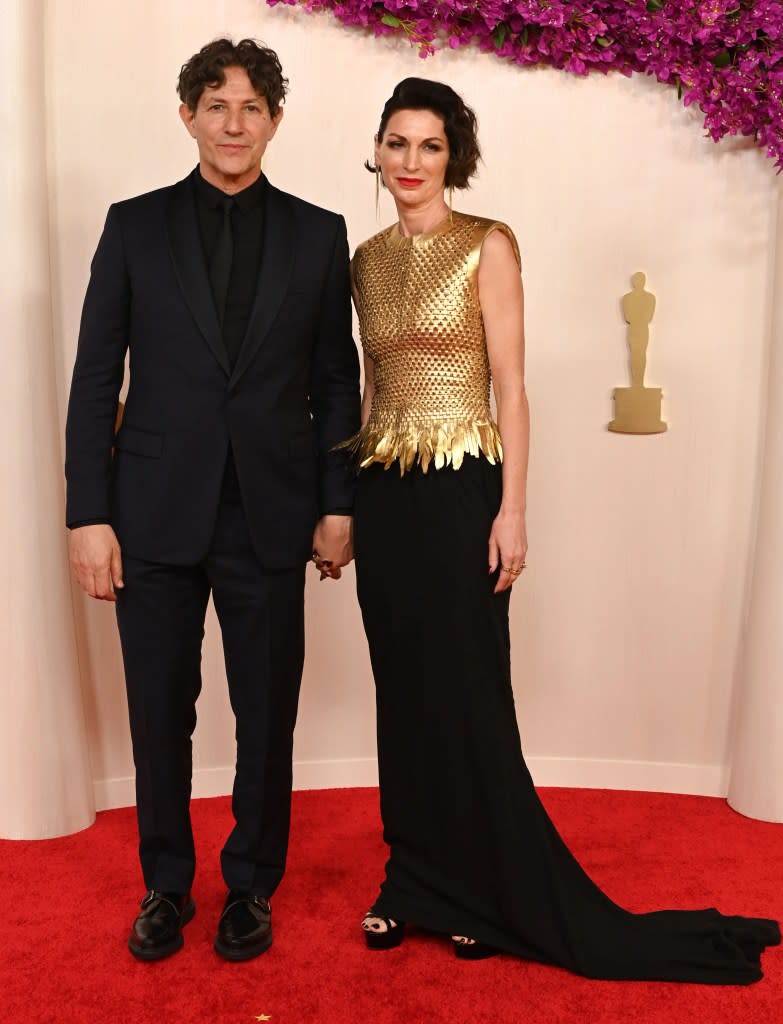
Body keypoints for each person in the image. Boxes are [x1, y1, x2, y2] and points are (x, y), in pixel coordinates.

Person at [342, 77, 779, 983]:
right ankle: (413, 881)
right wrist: (344, 502)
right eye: (396, 143)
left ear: (451, 156)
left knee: (466, 695)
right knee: (404, 691)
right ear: (376, 153)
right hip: (386, 495)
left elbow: (511, 385)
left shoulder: (486, 245)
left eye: (428, 145)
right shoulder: (365, 259)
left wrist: (513, 510)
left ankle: (478, 889)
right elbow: (372, 385)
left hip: (465, 490)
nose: (410, 162)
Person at [65, 38, 360, 962]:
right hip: (149, 512)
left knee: (267, 711)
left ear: (275, 119)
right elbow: (91, 378)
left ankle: (250, 887)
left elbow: (336, 382)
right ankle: (164, 884)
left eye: (252, 108)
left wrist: (336, 503)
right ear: (187, 114)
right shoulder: (132, 225)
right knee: (159, 709)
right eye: (216, 105)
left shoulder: (319, 233)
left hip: (271, 514)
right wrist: (87, 513)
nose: (234, 124)